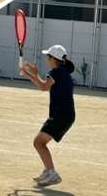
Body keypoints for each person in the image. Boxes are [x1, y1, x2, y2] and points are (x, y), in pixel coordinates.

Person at [21, 44, 75, 187]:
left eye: (48, 56)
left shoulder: (57, 72)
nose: (46, 59)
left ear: (53, 58)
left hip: (61, 115)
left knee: (38, 142)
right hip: (65, 115)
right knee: (40, 142)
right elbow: (43, 86)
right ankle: (48, 171)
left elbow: (44, 86)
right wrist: (29, 75)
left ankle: (52, 173)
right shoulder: (63, 72)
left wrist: (34, 74)